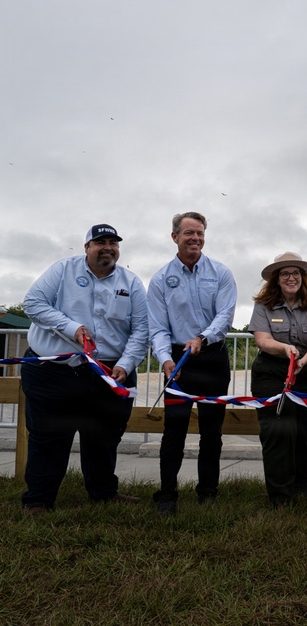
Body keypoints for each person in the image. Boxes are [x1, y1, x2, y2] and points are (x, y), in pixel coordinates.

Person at [20, 224, 148, 514]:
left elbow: (141, 329)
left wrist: (126, 365)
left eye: (113, 243)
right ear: (87, 247)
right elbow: (33, 303)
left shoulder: (132, 282)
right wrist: (71, 328)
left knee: (104, 437)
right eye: (100, 241)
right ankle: (38, 500)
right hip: (52, 370)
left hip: (108, 373)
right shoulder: (62, 270)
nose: (108, 247)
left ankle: (103, 493)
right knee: (48, 436)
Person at [147, 212, 237, 515]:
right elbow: (157, 327)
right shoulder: (160, 279)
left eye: (200, 233)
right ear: (175, 237)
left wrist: (203, 337)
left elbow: (225, 316)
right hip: (179, 363)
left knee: (212, 432)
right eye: (189, 233)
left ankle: (208, 492)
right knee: (174, 430)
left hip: (212, 358)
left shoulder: (221, 273)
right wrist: (165, 359)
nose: (195, 238)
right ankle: (168, 495)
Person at [249, 252, 307, 506]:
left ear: (303, 277)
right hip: (272, 372)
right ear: (276, 278)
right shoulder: (263, 304)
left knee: (304, 429)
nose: (291, 277)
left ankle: (300, 484)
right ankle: (279, 494)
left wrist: (304, 361)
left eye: (296, 273)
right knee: (278, 430)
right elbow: (262, 340)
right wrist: (286, 350)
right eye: (285, 273)